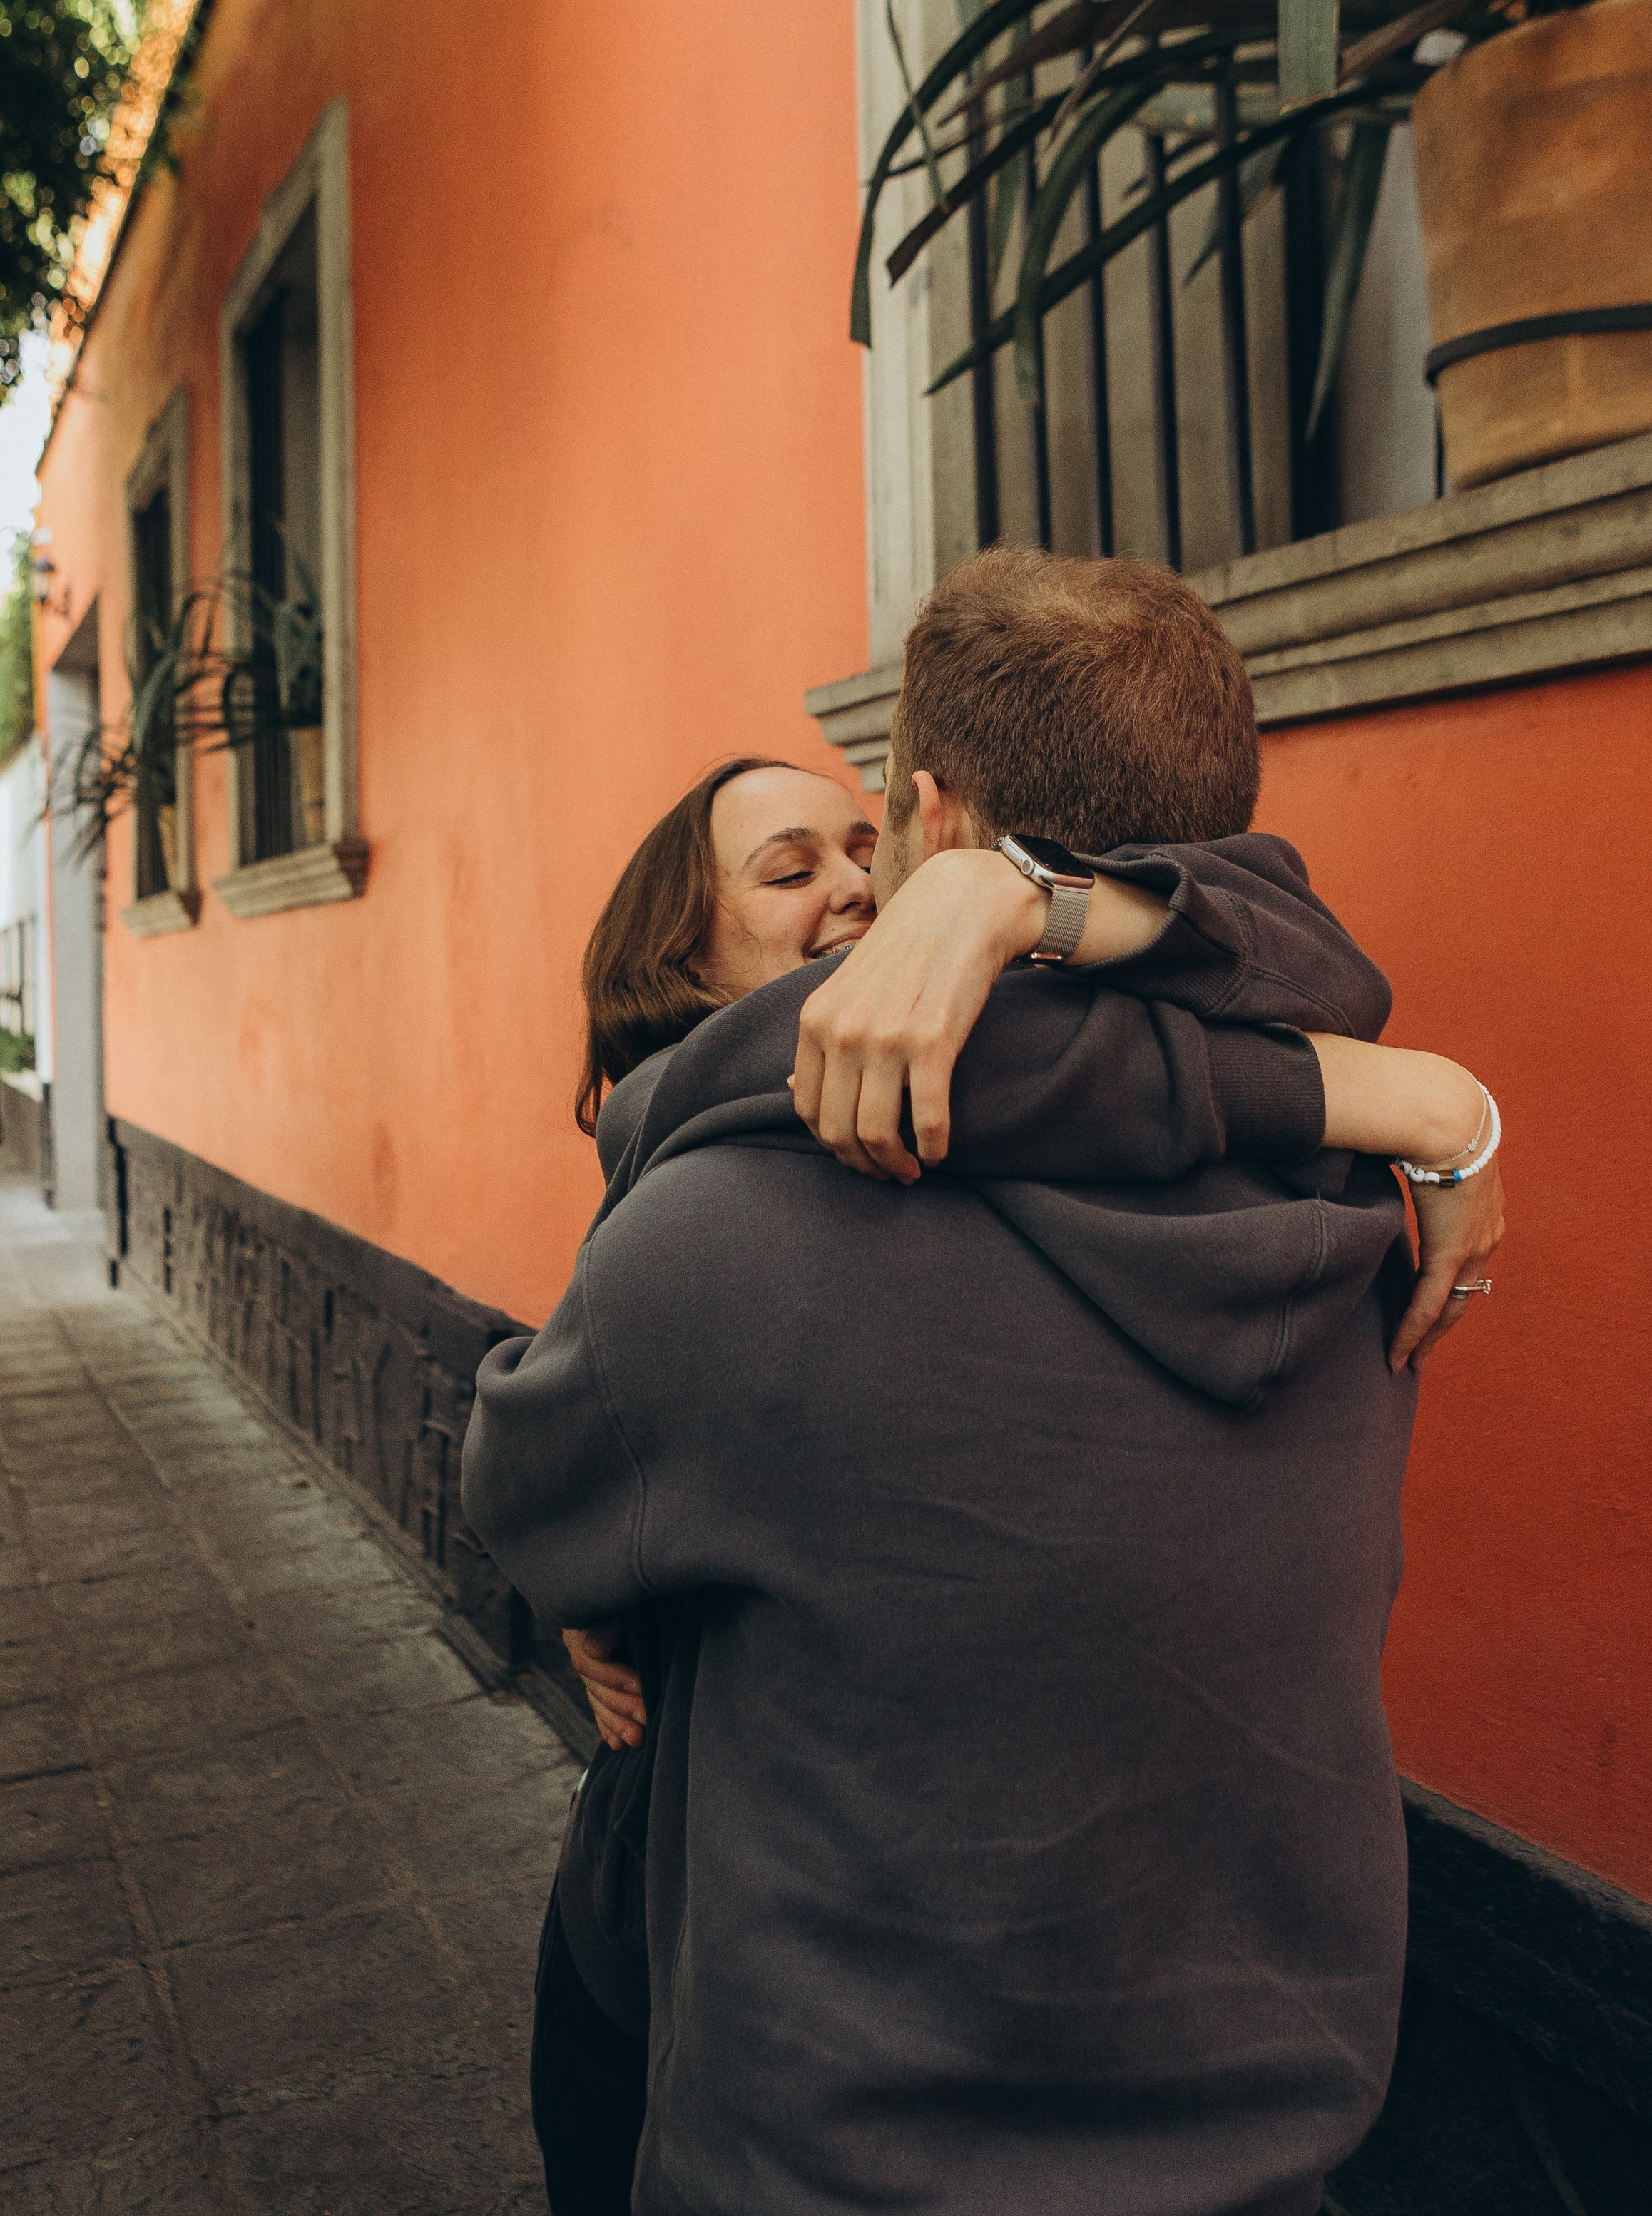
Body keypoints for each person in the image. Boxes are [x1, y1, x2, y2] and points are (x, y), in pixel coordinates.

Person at [484, 550, 1501, 2216]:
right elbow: (1223, 997)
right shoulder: (1344, 1203)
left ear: (936, 820)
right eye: (789, 863)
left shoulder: (723, 1244)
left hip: (831, 2157)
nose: (856, 885)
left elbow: (526, 1494)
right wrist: (1430, 1101)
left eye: (879, 841)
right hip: (1256, 2140)